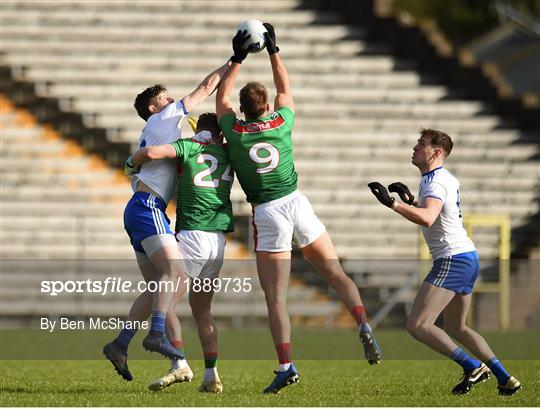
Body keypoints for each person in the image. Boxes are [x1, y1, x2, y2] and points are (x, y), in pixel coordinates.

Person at [216, 24, 381, 394]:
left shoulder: (237, 134)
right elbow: (285, 89)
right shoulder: (282, 122)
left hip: (269, 213)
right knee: (336, 273)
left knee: (276, 299)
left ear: (244, 110)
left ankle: (286, 364)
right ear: (268, 106)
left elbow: (222, 98)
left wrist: (238, 57)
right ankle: (362, 323)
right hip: (297, 203)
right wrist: (274, 49)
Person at [367, 129, 522, 396]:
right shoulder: (440, 178)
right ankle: (505, 378)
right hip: (466, 256)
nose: (415, 147)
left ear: (437, 153)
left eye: (422, 144)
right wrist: (411, 201)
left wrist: (391, 204)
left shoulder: (435, 182)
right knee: (456, 327)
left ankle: (473, 366)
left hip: (453, 258)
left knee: (417, 324)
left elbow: (428, 218)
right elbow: (436, 212)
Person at [103, 61, 231, 382]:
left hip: (137, 209)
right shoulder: (164, 117)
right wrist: (234, 61)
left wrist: (131, 163)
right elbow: (205, 88)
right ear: (153, 107)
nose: (171, 99)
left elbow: (141, 162)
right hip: (149, 207)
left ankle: (121, 344)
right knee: (173, 272)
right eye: (164, 97)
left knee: (159, 288)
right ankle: (157, 334)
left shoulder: (154, 129)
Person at [128, 113, 232, 393]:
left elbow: (151, 152)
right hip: (218, 240)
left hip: (192, 235)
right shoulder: (227, 150)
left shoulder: (189, 145)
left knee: (160, 300)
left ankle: (176, 363)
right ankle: (211, 375)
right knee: (203, 311)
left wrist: (132, 162)